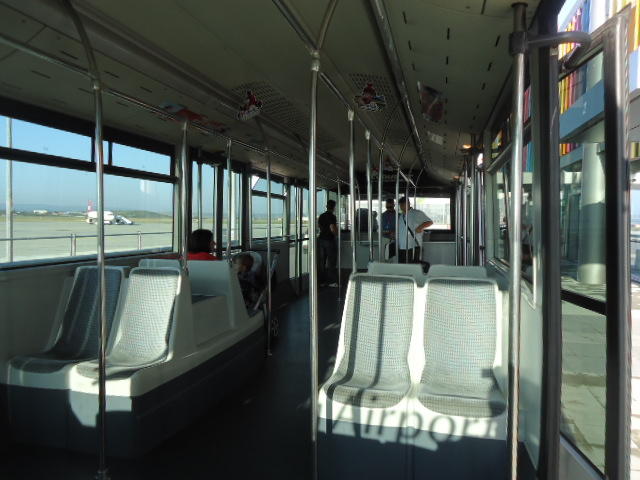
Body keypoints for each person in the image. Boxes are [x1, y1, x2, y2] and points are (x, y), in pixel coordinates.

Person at [397, 197, 433, 263]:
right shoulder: (401, 216)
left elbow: (429, 222)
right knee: (402, 266)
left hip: (413, 246)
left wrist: (420, 227)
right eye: (400, 205)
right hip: (401, 247)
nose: (401, 206)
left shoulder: (417, 213)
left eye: (403, 204)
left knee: (413, 266)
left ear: (408, 203)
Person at [318, 200, 339, 287]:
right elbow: (332, 228)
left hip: (321, 240)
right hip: (329, 240)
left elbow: (319, 226)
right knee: (331, 261)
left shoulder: (321, 216)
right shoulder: (332, 216)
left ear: (327, 206)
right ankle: (332, 282)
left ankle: (322, 282)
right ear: (334, 207)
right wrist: (337, 234)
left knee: (322, 262)